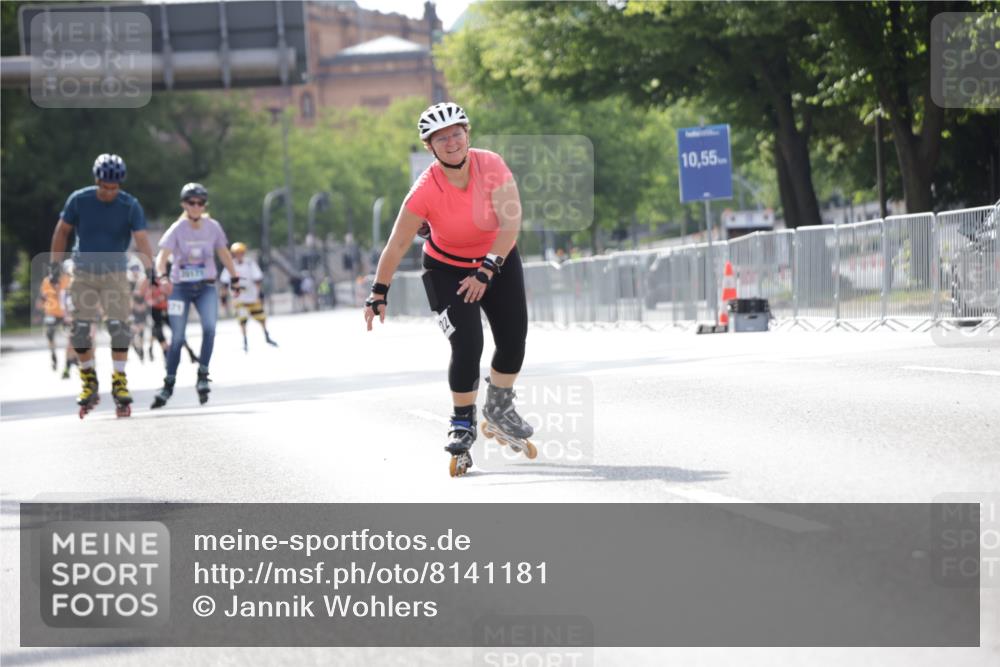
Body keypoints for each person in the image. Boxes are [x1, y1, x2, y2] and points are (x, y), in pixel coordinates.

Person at [363, 102, 536, 477]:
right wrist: (379, 291)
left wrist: (487, 270)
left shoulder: (490, 165)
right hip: (446, 270)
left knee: (514, 339)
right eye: (442, 138)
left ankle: (500, 407)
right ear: (430, 147)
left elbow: (511, 221)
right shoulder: (425, 190)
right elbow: (395, 244)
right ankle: (462, 422)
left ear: (468, 134)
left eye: (457, 133)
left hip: (498, 259)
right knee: (468, 343)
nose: (452, 142)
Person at [49, 153, 154, 418]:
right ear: (97, 180)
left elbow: (141, 239)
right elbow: (62, 231)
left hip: (115, 273)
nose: (109, 191)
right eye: (105, 186)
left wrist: (151, 270)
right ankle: (88, 380)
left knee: (119, 328)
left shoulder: (130, 205)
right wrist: (54, 266)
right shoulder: (79, 199)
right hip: (83, 272)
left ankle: (119, 380)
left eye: (114, 187)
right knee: (81, 330)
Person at [151, 183, 240, 408]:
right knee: (178, 338)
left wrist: (235, 278)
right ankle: (168, 383)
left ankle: (202, 375)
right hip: (179, 289)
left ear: (204, 205)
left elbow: (224, 254)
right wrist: (162, 277)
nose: (196, 206)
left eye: (200, 203)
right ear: (184, 205)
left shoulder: (213, 227)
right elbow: (161, 258)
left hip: (205, 286)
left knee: (210, 329)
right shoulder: (177, 228)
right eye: (191, 202)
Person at [219, 242, 278, 352]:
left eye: (241, 253)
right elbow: (224, 282)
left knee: (261, 317)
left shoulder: (250, 263)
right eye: (237, 253)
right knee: (242, 320)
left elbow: (257, 279)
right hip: (239, 297)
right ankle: (245, 340)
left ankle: (266, 335)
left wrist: (259, 294)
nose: (239, 255)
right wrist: (223, 298)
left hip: (251, 296)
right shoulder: (230, 265)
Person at [35, 259, 76, 377]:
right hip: (51, 313)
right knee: (50, 334)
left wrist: (70, 314)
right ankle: (53, 354)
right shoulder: (46, 281)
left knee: (71, 337)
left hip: (65, 314)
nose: (55, 284)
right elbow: (42, 297)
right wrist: (38, 313)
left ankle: (70, 361)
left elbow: (70, 297)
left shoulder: (67, 280)